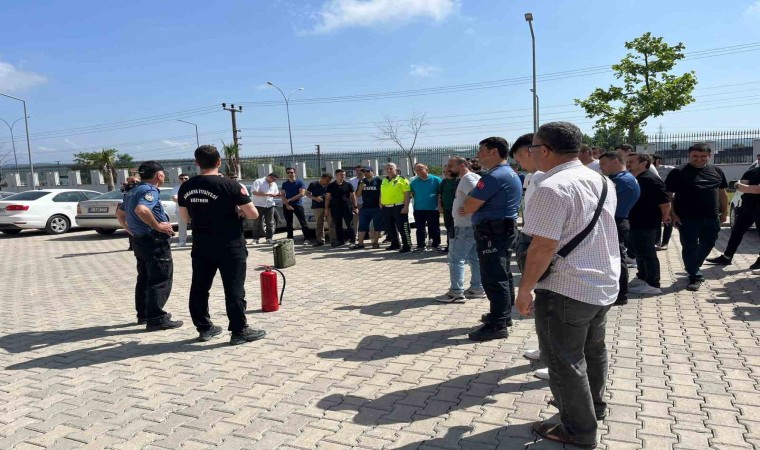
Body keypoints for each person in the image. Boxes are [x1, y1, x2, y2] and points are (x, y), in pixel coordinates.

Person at [516, 122, 620, 449]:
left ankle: (578, 429)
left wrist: (524, 289)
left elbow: (543, 246)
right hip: (602, 282)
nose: (531, 153)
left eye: (533, 147)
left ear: (545, 150)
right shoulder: (602, 180)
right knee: (593, 351)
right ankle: (592, 408)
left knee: (564, 361)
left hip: (566, 287)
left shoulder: (551, 187)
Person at [177, 145, 265, 345]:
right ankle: (239, 330)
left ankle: (204, 328)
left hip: (201, 244)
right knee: (233, 288)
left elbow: (186, 218)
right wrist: (238, 211)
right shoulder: (231, 185)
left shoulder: (186, 186)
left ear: (197, 163)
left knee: (200, 287)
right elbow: (253, 214)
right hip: (230, 244)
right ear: (219, 162)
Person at [460, 137, 522, 341]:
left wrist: (469, 203)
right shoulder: (508, 172)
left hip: (492, 232)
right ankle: (503, 315)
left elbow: (469, 205)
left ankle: (498, 324)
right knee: (503, 273)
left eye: (481, 150)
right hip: (501, 229)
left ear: (494, 151)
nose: (478, 155)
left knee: (494, 277)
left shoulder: (494, 177)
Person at [116, 161, 183, 331]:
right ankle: (157, 318)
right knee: (160, 278)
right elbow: (142, 210)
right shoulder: (149, 190)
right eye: (163, 173)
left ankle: (144, 314)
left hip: (140, 240)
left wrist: (130, 230)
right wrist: (158, 226)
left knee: (144, 278)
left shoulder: (133, 190)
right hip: (154, 241)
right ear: (159, 175)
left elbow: (120, 214)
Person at [509, 132, 550, 379]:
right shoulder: (532, 177)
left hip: (543, 243)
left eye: (519, 158)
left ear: (529, 152)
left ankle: (557, 361)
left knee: (550, 306)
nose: (519, 164)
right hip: (531, 236)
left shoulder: (549, 179)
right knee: (543, 304)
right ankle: (546, 349)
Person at [665, 143, 729, 291]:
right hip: (687, 218)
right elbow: (668, 195)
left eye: (703, 156)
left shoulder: (717, 171)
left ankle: (693, 265)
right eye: (695, 156)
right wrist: (672, 214)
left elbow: (722, 193)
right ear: (689, 155)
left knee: (709, 242)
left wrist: (725, 212)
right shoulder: (678, 172)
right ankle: (695, 276)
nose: (699, 159)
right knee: (689, 246)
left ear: (709, 156)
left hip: (712, 216)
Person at [435, 157, 484, 303]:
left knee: (456, 259)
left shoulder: (468, 178)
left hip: (464, 227)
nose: (448, 169)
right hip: (471, 226)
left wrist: (468, 208)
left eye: (451, 166)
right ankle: (477, 288)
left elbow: (480, 196)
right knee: (474, 259)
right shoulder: (472, 177)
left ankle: (456, 292)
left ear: (462, 165)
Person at [626, 153, 671, 295]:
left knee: (647, 253)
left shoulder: (651, 180)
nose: (628, 164)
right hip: (635, 222)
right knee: (639, 252)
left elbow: (665, 203)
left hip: (647, 223)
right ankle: (643, 277)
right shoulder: (636, 178)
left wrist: (665, 217)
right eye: (627, 161)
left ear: (643, 163)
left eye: (631, 161)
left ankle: (653, 284)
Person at [600, 151, 640, 305]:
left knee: (616, 258)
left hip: (616, 221)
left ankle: (621, 294)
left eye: (603, 164)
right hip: (618, 220)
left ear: (615, 161)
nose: (601, 168)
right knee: (616, 256)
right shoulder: (626, 178)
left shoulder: (620, 181)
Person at [705, 159, 760, 270]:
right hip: (748, 207)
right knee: (737, 231)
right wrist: (742, 186)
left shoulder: (751, 172)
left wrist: (738, 185)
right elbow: (746, 187)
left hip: (755, 207)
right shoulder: (752, 172)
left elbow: (755, 189)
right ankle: (727, 257)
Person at [380, 162, 412, 253]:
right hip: (386, 207)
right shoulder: (384, 180)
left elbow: (407, 194)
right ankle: (395, 243)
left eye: (391, 168)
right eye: (387, 169)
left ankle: (407, 245)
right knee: (390, 227)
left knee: (403, 227)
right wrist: (380, 203)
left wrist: (406, 207)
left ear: (396, 169)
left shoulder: (402, 179)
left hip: (399, 207)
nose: (388, 170)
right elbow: (382, 193)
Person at [409, 163, 443, 251]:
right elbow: (411, 194)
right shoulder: (414, 182)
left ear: (426, 169)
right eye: (417, 170)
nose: (419, 171)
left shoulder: (436, 180)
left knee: (435, 227)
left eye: (421, 169)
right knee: (420, 228)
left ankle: (436, 244)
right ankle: (421, 245)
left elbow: (440, 194)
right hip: (418, 209)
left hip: (433, 208)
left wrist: (440, 206)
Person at [325, 169, 358, 247]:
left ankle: (352, 241)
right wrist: (326, 209)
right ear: (336, 175)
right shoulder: (331, 186)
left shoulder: (348, 185)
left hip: (347, 207)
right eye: (341, 174)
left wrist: (355, 207)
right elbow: (327, 198)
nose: (343, 176)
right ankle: (340, 241)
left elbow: (353, 196)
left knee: (350, 225)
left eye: (344, 174)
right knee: (338, 225)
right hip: (335, 208)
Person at [281, 168, 313, 245]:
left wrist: (290, 200)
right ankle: (290, 238)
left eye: (291, 172)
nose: (290, 174)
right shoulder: (285, 183)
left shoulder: (300, 182)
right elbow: (282, 195)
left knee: (302, 222)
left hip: (297, 205)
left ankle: (307, 238)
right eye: (288, 173)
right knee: (289, 223)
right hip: (287, 205)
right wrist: (287, 204)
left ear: (295, 173)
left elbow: (302, 193)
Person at [353, 166, 382, 249]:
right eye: (364, 171)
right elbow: (358, 195)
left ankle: (375, 243)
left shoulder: (378, 180)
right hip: (365, 207)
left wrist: (381, 204)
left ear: (373, 172)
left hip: (377, 207)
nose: (365, 173)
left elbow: (382, 193)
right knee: (362, 225)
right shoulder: (362, 181)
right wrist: (360, 188)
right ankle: (360, 243)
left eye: (367, 171)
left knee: (377, 226)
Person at [250, 173, 280, 244]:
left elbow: (276, 193)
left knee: (270, 223)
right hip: (258, 205)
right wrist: (268, 194)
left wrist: (277, 195)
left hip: (270, 205)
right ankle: (255, 239)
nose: (274, 181)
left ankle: (269, 238)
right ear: (269, 177)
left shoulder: (274, 184)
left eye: (275, 180)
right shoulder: (258, 181)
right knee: (257, 223)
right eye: (273, 179)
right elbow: (255, 192)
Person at [305, 174, 332, 247]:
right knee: (319, 224)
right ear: (322, 178)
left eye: (329, 180)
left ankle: (333, 240)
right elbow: (307, 194)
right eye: (327, 180)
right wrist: (315, 198)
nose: (328, 182)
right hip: (317, 207)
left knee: (331, 223)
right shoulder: (313, 184)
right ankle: (320, 240)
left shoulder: (330, 185)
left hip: (329, 207)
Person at [439, 166, 459, 253]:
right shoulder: (443, 182)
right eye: (444, 172)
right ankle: (449, 245)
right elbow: (440, 195)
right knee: (448, 227)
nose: (446, 173)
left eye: (448, 171)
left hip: (456, 208)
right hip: (446, 208)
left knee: (455, 227)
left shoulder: (458, 181)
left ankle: (456, 246)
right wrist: (440, 206)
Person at [171, 173, 190, 247]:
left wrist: (181, 199)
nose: (183, 180)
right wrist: (189, 200)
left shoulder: (193, 187)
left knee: (196, 225)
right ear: (179, 180)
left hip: (193, 209)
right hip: (180, 210)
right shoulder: (176, 188)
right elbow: (175, 199)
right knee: (182, 226)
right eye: (181, 178)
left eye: (186, 178)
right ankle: (182, 242)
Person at [349, 165, 365, 239]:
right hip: (355, 203)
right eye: (357, 170)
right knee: (355, 221)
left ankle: (365, 236)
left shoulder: (367, 180)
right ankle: (355, 236)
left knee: (365, 220)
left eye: (360, 170)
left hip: (365, 203)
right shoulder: (351, 181)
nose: (359, 172)